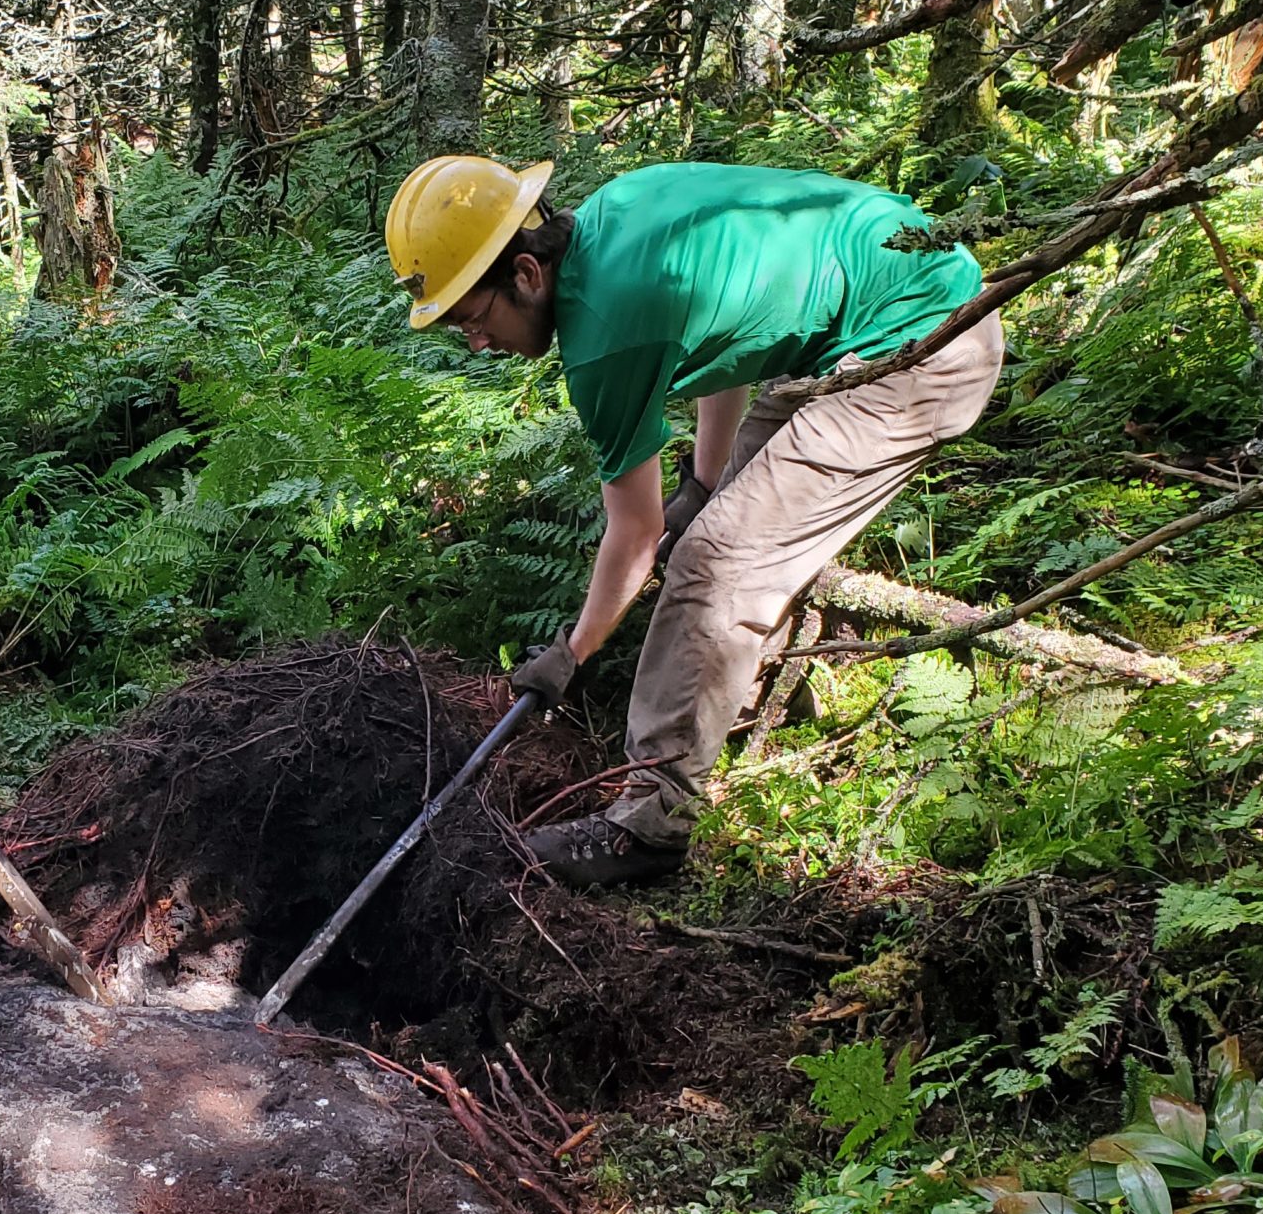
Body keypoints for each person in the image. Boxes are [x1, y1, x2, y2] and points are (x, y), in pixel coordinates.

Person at [387, 154, 1002, 889]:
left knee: (717, 566)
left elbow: (636, 534)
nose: (477, 345)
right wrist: (706, 483)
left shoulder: (607, 333)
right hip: (878, 317)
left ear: (525, 273)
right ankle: (741, 714)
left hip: (926, 344)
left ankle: (648, 822)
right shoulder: (615, 216)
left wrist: (571, 654)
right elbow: (729, 340)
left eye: (473, 320)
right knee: (734, 521)